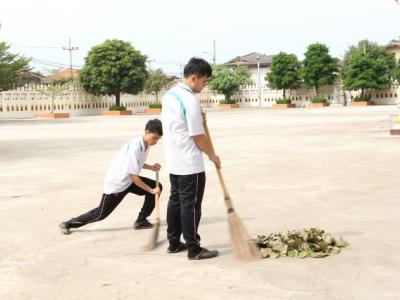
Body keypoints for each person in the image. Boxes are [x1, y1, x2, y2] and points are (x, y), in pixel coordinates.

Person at [161, 57, 221, 260]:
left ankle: (173, 242)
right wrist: (212, 155)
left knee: (176, 200)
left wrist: (199, 119)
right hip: (189, 163)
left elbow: (181, 124)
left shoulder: (169, 95)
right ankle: (194, 248)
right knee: (191, 205)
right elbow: (197, 136)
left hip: (174, 160)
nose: (205, 86)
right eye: (204, 81)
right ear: (194, 78)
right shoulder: (190, 100)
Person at [59, 119, 163, 234]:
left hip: (129, 181)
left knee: (157, 186)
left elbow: (136, 163)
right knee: (100, 214)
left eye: (158, 139)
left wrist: (151, 167)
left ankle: (141, 221)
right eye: (154, 137)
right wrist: (150, 190)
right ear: (147, 132)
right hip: (117, 184)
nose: (155, 141)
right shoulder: (135, 146)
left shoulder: (145, 145)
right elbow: (133, 175)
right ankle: (68, 223)